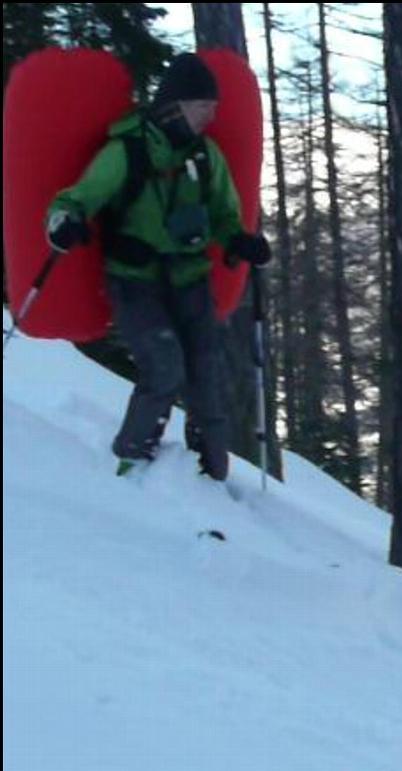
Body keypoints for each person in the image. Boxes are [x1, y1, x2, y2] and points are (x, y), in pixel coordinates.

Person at [45, 53, 270, 480]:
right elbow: (76, 200)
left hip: (191, 279)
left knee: (206, 374)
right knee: (165, 366)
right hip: (135, 282)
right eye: (204, 106)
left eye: (214, 107)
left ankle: (212, 474)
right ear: (177, 105)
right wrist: (63, 224)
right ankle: (129, 463)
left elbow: (225, 215)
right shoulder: (128, 151)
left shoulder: (206, 157)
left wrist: (241, 241)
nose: (212, 115)